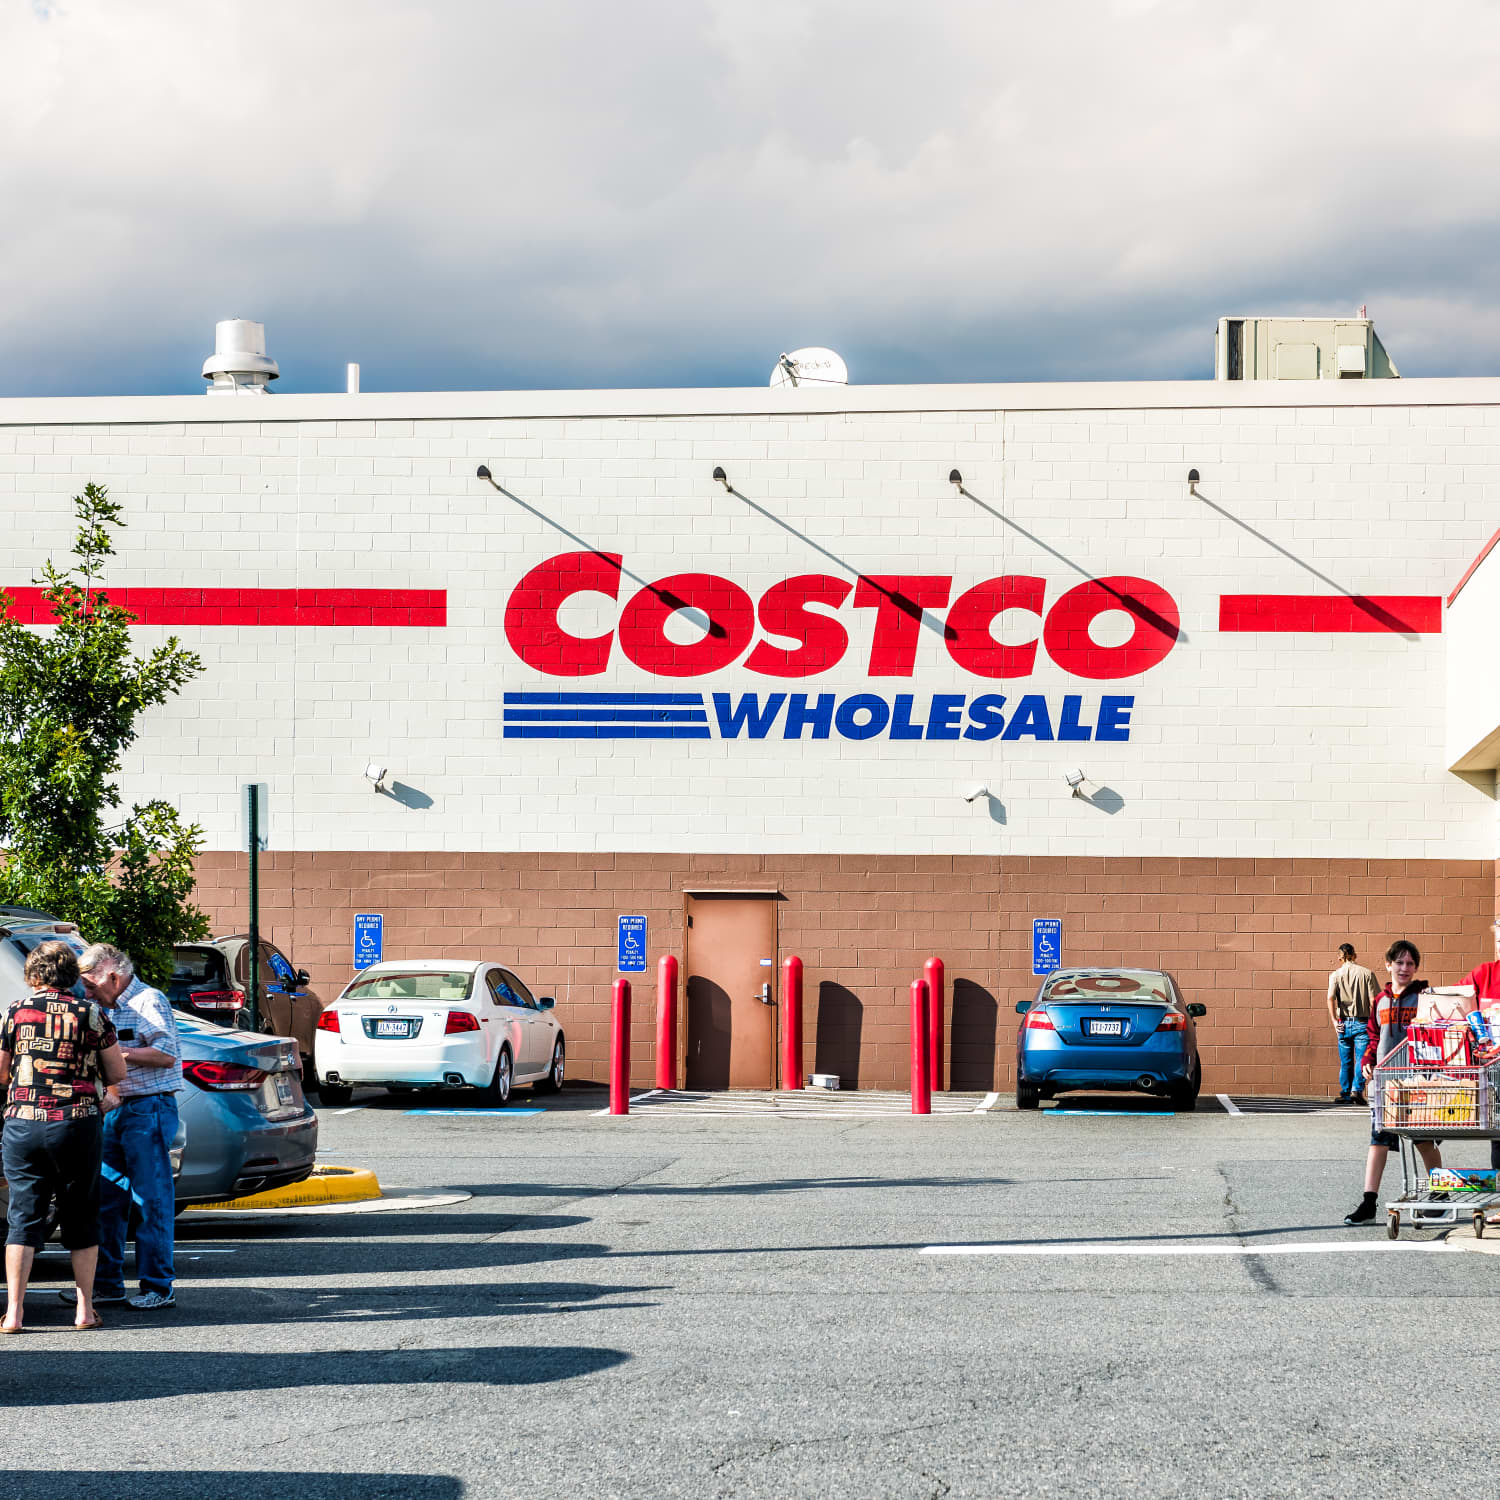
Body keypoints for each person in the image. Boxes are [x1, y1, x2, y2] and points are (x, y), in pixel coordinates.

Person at [0, 940, 126, 1332]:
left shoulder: (16, 1012)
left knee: (23, 1214)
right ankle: (84, 1310)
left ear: (34, 975)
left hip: (23, 1122)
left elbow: (1, 1073)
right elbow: (118, 1072)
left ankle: (15, 1313)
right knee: (81, 1212)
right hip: (76, 1123)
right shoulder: (91, 1013)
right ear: (71, 975)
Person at [77, 942, 182, 1311]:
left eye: (91, 986)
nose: (86, 993)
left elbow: (166, 1053)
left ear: (113, 977)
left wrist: (117, 1055)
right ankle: (108, 1283)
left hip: (147, 1108)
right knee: (107, 1200)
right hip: (117, 1108)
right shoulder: (104, 1007)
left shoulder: (148, 1001)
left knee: (150, 1201)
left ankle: (158, 1285)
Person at [1345, 939, 1441, 1225]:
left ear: (1416, 967)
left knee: (1423, 1139)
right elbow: (1374, 1039)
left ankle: (1440, 1195)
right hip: (1386, 1083)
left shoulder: (1424, 997)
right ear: (1388, 965)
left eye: (1410, 963)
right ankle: (1369, 1201)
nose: (1404, 968)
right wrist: (1366, 1062)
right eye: (1399, 962)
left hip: (1416, 1081)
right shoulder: (1380, 1000)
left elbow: (1434, 1033)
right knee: (1379, 1141)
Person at [1327, 942, 1378, 1104]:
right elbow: (1373, 1001)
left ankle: (1346, 1093)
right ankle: (1357, 1090)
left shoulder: (1335, 975)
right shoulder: (1367, 974)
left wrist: (1334, 1022)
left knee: (1346, 1061)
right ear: (1355, 955)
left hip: (1342, 1023)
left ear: (1339, 957)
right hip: (1362, 1022)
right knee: (1361, 1058)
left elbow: (1330, 998)